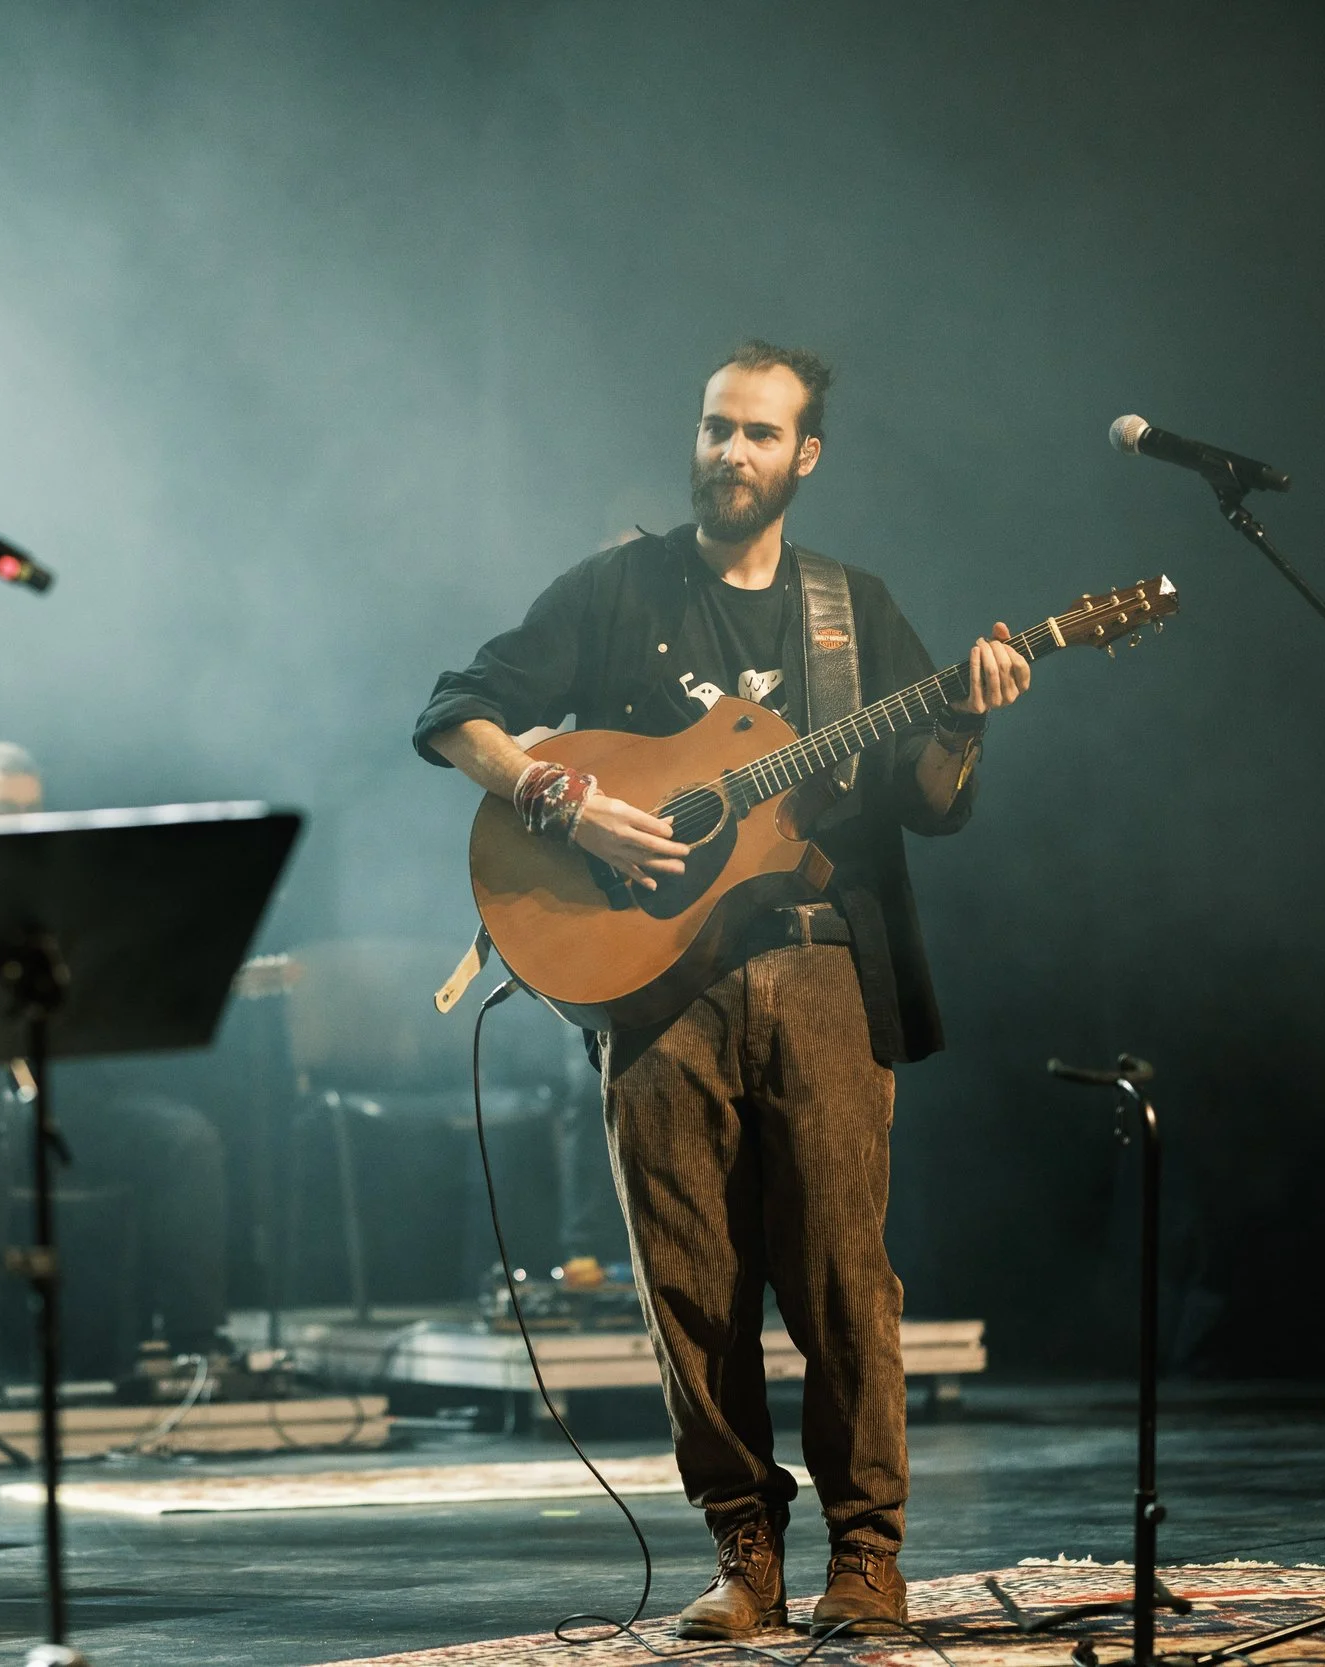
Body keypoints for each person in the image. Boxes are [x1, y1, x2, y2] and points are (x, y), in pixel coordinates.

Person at [413, 342, 1031, 1639]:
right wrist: (564, 798)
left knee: (841, 1278)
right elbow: (457, 711)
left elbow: (931, 809)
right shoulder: (614, 586)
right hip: (652, 988)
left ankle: (867, 1557)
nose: (726, 453)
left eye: (757, 434)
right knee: (690, 1283)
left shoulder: (850, 609)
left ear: (806, 457)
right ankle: (746, 1551)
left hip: (820, 970)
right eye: (713, 428)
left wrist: (966, 716)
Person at [0, 742, 230, 1408]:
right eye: (3, 809)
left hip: (62, 1104)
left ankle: (195, 1342)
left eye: (31, 809)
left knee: (185, 1138)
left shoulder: (62, 895)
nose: (21, 823)